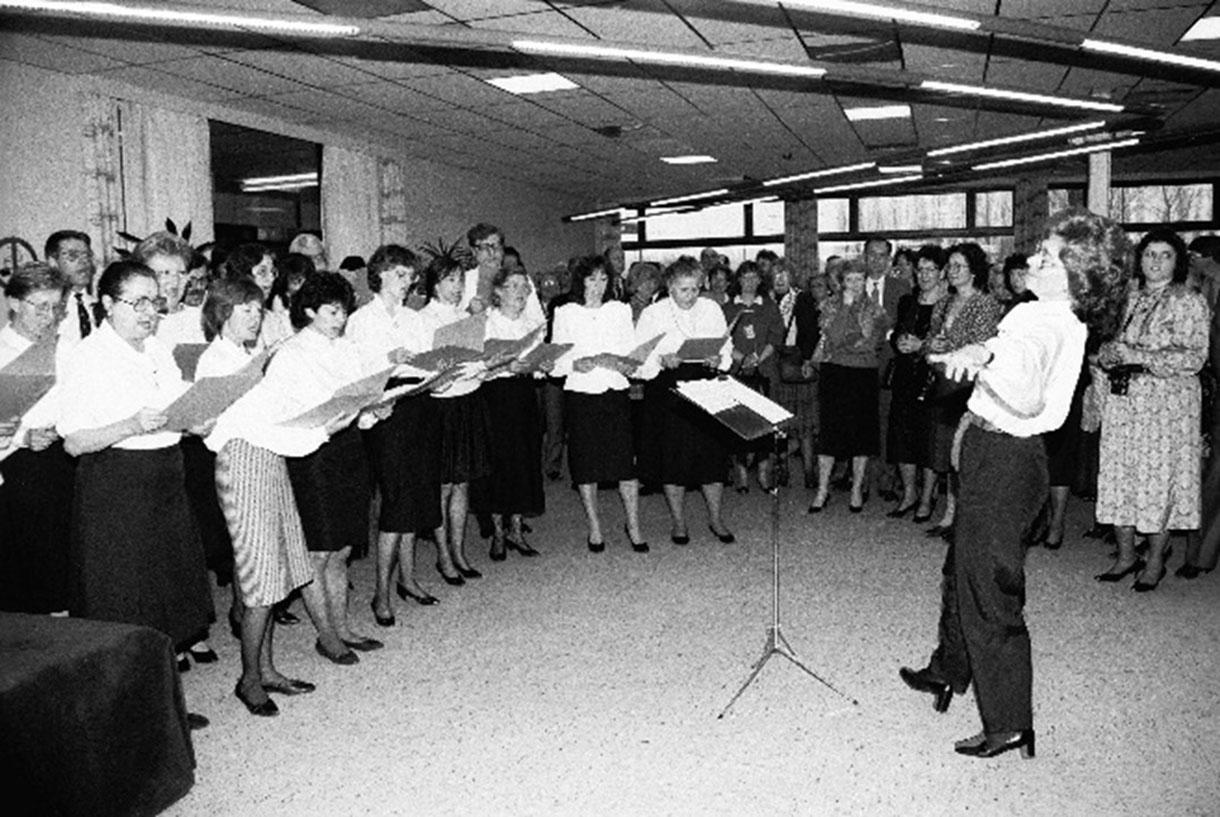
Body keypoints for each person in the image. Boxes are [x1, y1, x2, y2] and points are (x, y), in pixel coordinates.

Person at [899, 208, 1128, 760]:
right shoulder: (1042, 312)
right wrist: (983, 354)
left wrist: (981, 362)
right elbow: (1015, 362)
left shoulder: (1048, 321)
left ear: (1078, 277)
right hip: (993, 453)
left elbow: (1024, 394)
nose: (1034, 260)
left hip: (1006, 459)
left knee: (990, 592)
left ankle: (1009, 722)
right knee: (963, 567)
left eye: (1049, 257)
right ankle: (949, 668)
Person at [57, 259, 214, 729]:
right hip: (118, 486)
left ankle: (164, 710)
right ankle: (129, 718)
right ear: (108, 304)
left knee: (166, 594)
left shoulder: (156, 349)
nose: (150, 311)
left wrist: (196, 419)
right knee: (127, 601)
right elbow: (75, 441)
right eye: (138, 302)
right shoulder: (88, 356)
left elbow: (172, 409)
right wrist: (129, 423)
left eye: (155, 301)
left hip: (164, 478)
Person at [199, 277, 324, 716]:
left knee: (278, 570)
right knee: (259, 580)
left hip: (270, 461)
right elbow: (243, 422)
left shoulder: (250, 356)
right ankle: (248, 678)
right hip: (242, 463)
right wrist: (313, 429)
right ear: (222, 312)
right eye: (245, 309)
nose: (255, 317)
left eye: (257, 309)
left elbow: (276, 410)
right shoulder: (216, 361)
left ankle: (267, 669)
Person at [1094, 227, 1208, 591]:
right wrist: (1110, 354)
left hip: (1165, 409)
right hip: (1124, 403)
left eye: (1165, 255)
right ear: (1139, 260)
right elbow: (1112, 343)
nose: (1156, 262)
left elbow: (1195, 357)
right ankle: (1126, 555)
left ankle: (1155, 560)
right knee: (1120, 477)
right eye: (1149, 254)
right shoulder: (1127, 298)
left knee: (1156, 483)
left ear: (1177, 262)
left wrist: (1137, 355)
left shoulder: (1188, 301)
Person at [278, 272, 382, 664]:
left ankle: (343, 627)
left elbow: (361, 394)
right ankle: (326, 635)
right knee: (318, 551)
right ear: (309, 311)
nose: (340, 319)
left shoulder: (349, 348)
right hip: (312, 454)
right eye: (332, 311)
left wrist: (374, 408)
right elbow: (287, 412)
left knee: (342, 549)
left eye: (343, 311)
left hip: (349, 447)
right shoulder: (291, 353)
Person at [138, 231, 225, 667]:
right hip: (154, 439)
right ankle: (169, 635)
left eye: (177, 273)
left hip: (192, 432)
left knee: (191, 538)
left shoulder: (193, 316)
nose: (171, 282)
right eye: (161, 273)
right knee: (161, 546)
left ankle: (191, 630)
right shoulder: (136, 323)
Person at [346, 245, 444, 623]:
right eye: (401, 275)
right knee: (396, 501)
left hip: (418, 406)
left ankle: (409, 579)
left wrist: (437, 366)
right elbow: (355, 374)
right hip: (386, 413)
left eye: (410, 276)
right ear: (381, 274)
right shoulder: (361, 320)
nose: (408, 283)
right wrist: (390, 361)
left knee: (416, 498)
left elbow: (424, 362)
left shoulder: (414, 318)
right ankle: (380, 594)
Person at [636, 257, 735, 545]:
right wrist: (660, 358)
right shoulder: (653, 314)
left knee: (712, 455)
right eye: (683, 290)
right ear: (670, 287)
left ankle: (715, 518)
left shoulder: (711, 308)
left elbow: (725, 345)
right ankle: (679, 522)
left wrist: (720, 359)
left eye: (694, 289)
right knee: (673, 456)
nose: (690, 296)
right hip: (669, 387)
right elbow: (639, 359)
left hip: (705, 382)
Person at [552, 255, 645, 552]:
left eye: (603, 279)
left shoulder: (619, 309)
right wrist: (573, 364)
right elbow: (556, 360)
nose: (597, 286)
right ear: (580, 281)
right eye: (591, 279)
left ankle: (633, 524)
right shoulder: (565, 312)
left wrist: (625, 363)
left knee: (625, 463)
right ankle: (594, 527)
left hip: (614, 389)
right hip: (581, 393)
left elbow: (631, 353)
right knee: (586, 463)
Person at [0, 264, 74, 614]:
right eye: (39, 306)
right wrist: (22, 436)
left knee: (69, 552)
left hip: (66, 454)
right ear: (14, 303)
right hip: (19, 465)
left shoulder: (66, 348)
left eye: (55, 307)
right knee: (35, 558)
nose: (49, 316)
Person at [923, 243, 1005, 537]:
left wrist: (952, 348)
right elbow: (931, 338)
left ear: (974, 272)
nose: (952, 271)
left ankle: (965, 519)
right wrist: (930, 346)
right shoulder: (943, 303)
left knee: (966, 454)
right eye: (950, 266)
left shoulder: (985, 304)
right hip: (943, 383)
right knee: (945, 452)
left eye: (959, 266)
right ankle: (949, 515)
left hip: (970, 387)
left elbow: (983, 346)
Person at [419, 255, 491, 585]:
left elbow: (476, 359)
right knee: (443, 485)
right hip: (441, 405)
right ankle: (443, 555)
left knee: (463, 482)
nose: (457, 286)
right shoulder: (423, 319)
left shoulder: (467, 317)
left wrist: (487, 362)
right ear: (435, 284)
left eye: (460, 280)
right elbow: (421, 367)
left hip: (469, 398)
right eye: (450, 280)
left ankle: (459, 550)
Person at [474, 266, 549, 557]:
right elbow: (479, 365)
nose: (521, 291)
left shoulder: (533, 323)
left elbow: (539, 361)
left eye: (524, 286)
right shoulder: (487, 322)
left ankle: (517, 530)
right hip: (495, 397)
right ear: (498, 291)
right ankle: (497, 532)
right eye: (514, 285)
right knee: (498, 462)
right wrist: (504, 366)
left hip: (524, 395)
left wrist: (543, 364)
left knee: (524, 460)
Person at [809, 258, 889, 513]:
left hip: (863, 374)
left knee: (861, 434)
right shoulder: (829, 306)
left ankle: (856, 488)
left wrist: (844, 341)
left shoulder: (876, 311)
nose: (853, 284)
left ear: (865, 281)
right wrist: (845, 310)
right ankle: (823, 489)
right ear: (840, 283)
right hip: (834, 374)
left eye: (858, 279)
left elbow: (869, 344)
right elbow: (832, 338)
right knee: (830, 432)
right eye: (849, 279)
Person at [886, 245, 949, 520]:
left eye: (930, 270)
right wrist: (898, 341)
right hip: (904, 378)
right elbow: (897, 332)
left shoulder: (948, 305)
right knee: (902, 437)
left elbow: (950, 343)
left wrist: (920, 345)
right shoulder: (907, 302)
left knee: (929, 439)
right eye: (920, 269)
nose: (924, 275)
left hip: (933, 380)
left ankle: (926, 498)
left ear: (942, 272)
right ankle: (909, 493)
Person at [723, 260, 783, 492]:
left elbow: (776, 337)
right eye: (745, 277)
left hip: (764, 370)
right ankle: (740, 473)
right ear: (738, 280)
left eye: (754, 278)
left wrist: (758, 357)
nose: (749, 282)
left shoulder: (769, 306)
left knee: (764, 424)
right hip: (738, 370)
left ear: (760, 280)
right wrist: (741, 358)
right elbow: (723, 340)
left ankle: (763, 472)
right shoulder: (728, 308)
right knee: (739, 422)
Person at [862, 236, 912, 501]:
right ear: (864, 256)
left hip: (890, 364)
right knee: (862, 422)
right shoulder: (853, 285)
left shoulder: (901, 287)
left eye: (882, 255)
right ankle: (861, 479)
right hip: (858, 365)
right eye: (872, 254)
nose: (877, 261)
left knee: (886, 422)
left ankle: (885, 478)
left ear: (889, 259)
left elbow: (906, 325)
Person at [770, 261, 821, 490]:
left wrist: (809, 361)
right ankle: (783, 471)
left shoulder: (803, 298)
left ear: (792, 276)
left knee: (806, 426)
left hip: (799, 364)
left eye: (784, 274)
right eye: (775, 275)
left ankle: (810, 472)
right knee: (779, 424)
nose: (780, 279)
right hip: (774, 365)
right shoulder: (767, 300)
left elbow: (811, 332)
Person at [46, 229, 98, 349]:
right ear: (53, 262)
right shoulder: (45, 311)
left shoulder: (100, 306)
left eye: (87, 255)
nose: (84, 262)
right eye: (73, 256)